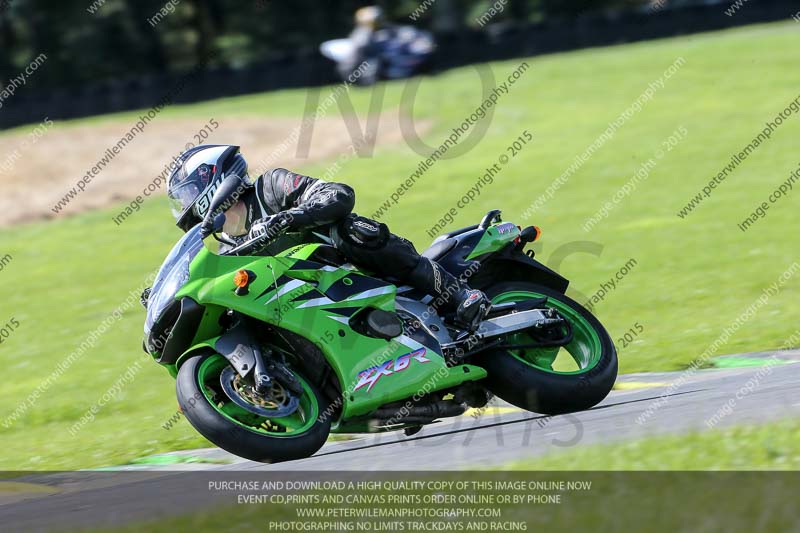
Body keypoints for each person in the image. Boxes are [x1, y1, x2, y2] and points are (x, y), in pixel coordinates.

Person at [167, 144, 491, 331]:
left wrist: (288, 217)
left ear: (214, 178)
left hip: (352, 264)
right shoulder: (227, 247)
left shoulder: (270, 187)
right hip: (318, 300)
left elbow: (337, 194)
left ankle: (459, 294)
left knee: (352, 230)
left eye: (189, 193)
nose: (185, 205)